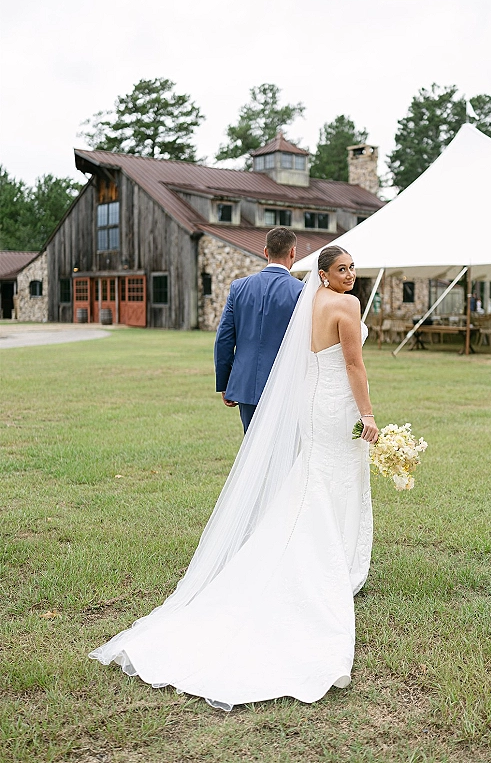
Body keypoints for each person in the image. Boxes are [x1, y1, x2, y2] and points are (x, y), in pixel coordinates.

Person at [89, 246, 378, 710]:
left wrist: (226, 381)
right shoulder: (339, 302)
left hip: (294, 396)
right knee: (323, 477)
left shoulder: (291, 294)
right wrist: (368, 412)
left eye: (352, 268)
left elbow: (229, 336)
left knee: (305, 476)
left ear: (268, 251)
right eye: (343, 269)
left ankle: (294, 543)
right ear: (315, 268)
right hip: (331, 399)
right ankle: (327, 558)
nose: (351, 275)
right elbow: (352, 364)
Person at [214, 227, 304, 432]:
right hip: (286, 384)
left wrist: (225, 382)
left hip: (245, 384)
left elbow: (224, 339)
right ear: (293, 252)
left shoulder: (239, 287)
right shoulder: (301, 291)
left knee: (252, 450)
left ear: (265, 252)